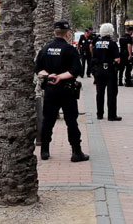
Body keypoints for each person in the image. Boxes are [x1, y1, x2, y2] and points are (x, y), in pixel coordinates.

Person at [35, 20, 89, 162]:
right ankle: (76, 152)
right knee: (71, 121)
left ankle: (44, 150)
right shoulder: (70, 50)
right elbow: (76, 70)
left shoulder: (45, 48)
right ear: (67, 33)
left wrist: (49, 76)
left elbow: (38, 69)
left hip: (50, 90)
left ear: (55, 32)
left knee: (48, 121)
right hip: (67, 91)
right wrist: (60, 77)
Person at [92, 23, 122, 121]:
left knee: (99, 93)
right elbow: (117, 59)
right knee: (112, 93)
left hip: (99, 70)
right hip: (110, 70)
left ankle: (99, 114)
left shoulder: (97, 43)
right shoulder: (112, 43)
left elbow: (94, 56)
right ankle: (111, 115)